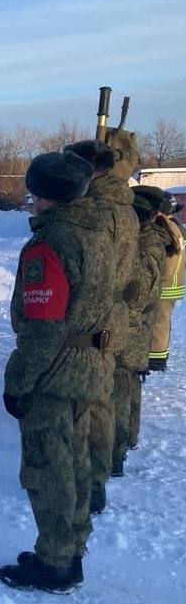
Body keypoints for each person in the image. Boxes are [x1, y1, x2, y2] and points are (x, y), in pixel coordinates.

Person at [0, 150, 114, 592]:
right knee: (78, 465)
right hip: (92, 366)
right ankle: (70, 548)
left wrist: (18, 381)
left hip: (55, 370)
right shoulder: (98, 232)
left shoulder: (52, 242)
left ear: (43, 194)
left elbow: (44, 326)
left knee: (49, 468)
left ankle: (56, 562)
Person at [64, 139, 138, 514]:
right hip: (115, 316)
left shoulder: (93, 207)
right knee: (102, 401)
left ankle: (85, 484)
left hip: (90, 316)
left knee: (80, 407)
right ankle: (98, 479)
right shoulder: (125, 207)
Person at [116, 187, 168, 463]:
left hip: (133, 326)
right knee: (129, 385)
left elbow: (137, 292)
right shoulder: (151, 239)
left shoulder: (146, 244)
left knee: (122, 389)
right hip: (138, 325)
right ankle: (126, 439)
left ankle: (118, 448)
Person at [148, 193, 185, 372]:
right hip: (174, 282)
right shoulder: (177, 227)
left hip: (164, 283)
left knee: (158, 323)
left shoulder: (164, 228)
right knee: (162, 321)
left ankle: (156, 359)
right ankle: (158, 355)